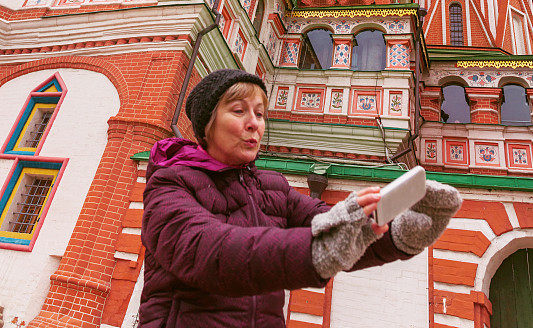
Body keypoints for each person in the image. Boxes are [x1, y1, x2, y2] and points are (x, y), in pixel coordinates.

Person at [140, 70, 461, 327]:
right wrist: (317, 250)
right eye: (239, 111)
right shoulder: (171, 181)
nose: (254, 123)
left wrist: (402, 232)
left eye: (260, 113)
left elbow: (332, 230)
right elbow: (207, 250)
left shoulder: (271, 187)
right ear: (207, 125)